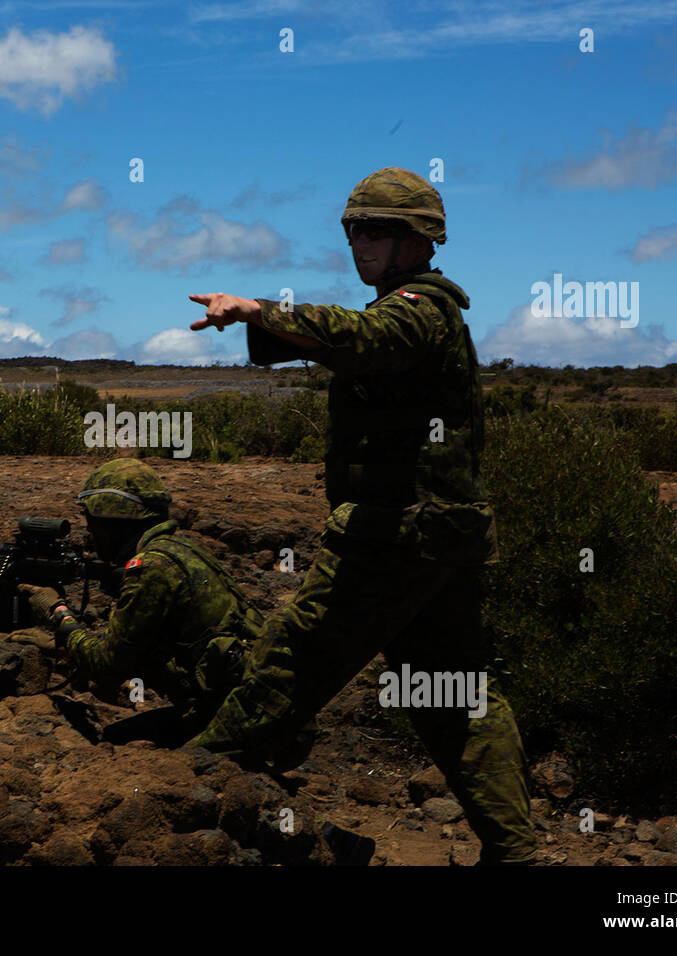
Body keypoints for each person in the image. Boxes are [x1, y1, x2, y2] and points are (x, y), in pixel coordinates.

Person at [183, 167, 538, 865]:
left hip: (396, 536)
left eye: (376, 228)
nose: (360, 241)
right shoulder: (405, 313)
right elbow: (351, 339)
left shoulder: (419, 308)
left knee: (295, 661)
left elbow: (361, 337)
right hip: (440, 538)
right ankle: (516, 853)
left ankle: (182, 783)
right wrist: (265, 326)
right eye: (353, 228)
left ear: (418, 239)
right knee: (455, 696)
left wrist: (261, 310)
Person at [18, 458, 265, 741]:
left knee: (112, 743)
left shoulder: (149, 567)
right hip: (254, 706)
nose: (90, 534)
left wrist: (58, 615)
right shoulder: (180, 549)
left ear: (115, 521)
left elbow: (107, 666)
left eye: (93, 524)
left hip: (240, 721)